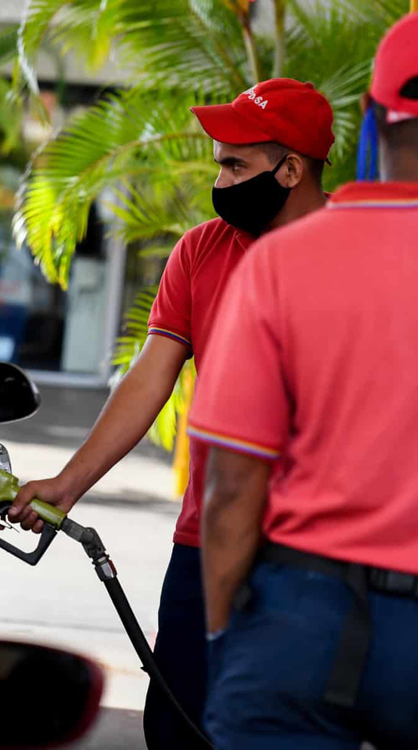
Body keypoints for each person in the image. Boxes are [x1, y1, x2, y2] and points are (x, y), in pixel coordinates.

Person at [8, 79, 335, 747]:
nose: (220, 179)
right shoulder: (201, 251)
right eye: (220, 162)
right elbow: (150, 376)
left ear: (292, 169)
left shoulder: (353, 254)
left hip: (317, 554)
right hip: (206, 540)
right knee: (178, 727)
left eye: (235, 165)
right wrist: (67, 485)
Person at [190, 14, 418, 749]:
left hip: (300, 621)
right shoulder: (224, 251)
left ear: (375, 124)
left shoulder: (284, 263)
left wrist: (228, 635)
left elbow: (232, 485)